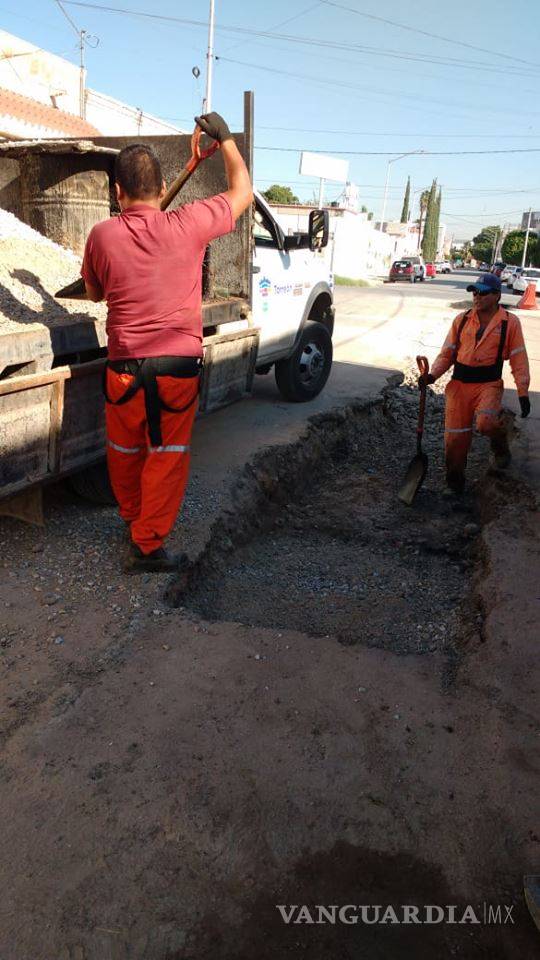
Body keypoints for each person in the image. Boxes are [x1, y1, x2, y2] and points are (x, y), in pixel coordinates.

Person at [81, 112, 253, 572]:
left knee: (124, 451)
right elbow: (242, 194)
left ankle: (132, 520)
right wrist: (229, 142)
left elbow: (95, 293)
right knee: (166, 455)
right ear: (161, 189)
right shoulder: (190, 223)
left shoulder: (101, 235)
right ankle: (147, 544)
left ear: (118, 192)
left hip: (123, 369)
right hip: (177, 369)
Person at [419, 272, 530, 494]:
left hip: (488, 384)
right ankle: (454, 482)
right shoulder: (461, 320)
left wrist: (523, 392)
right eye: (474, 292)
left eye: (483, 293)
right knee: (455, 438)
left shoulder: (509, 323)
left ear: (497, 295)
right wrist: (431, 376)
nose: (476, 297)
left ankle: (500, 447)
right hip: (459, 386)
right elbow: (447, 354)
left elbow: (519, 357)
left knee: (486, 423)